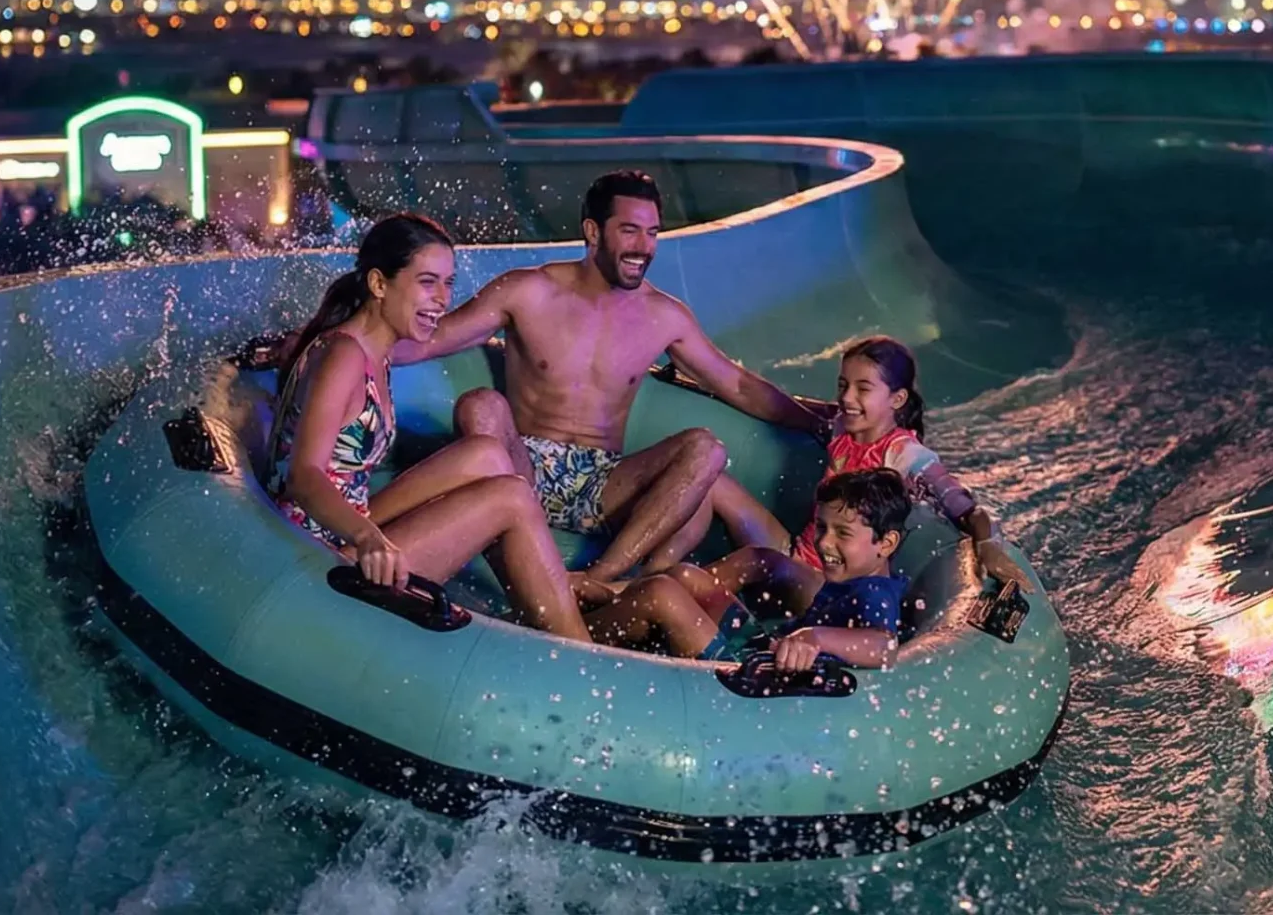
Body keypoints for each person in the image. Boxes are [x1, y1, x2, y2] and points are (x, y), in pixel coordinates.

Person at [397, 170, 821, 585]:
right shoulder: (527, 291)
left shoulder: (663, 315)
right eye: (630, 231)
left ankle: (600, 579)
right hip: (519, 466)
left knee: (706, 450)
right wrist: (349, 346)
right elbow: (433, 340)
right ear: (593, 231)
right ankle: (521, 553)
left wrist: (815, 422)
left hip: (603, 484)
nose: (644, 247)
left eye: (653, 233)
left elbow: (738, 384)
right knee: (480, 405)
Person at [269, 213, 588, 639]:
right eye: (427, 282)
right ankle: (580, 648)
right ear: (380, 285)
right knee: (510, 496)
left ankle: (546, 591)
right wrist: (369, 539)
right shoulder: (344, 356)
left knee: (488, 454)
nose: (442, 299)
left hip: (346, 522)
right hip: (318, 553)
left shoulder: (374, 350)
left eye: (448, 283)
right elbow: (304, 478)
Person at [718, 335, 1025, 588]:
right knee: (714, 483)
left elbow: (968, 509)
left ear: (897, 399)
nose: (847, 398)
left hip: (833, 584)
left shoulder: (905, 455)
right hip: (801, 554)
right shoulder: (842, 427)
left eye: (862, 389)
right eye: (842, 386)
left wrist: (987, 547)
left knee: (757, 562)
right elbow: (795, 408)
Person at [585, 468, 913, 669]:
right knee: (685, 576)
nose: (825, 543)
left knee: (661, 594)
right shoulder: (852, 580)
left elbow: (883, 647)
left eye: (842, 533)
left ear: (886, 543)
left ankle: (570, 638)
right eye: (822, 528)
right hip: (760, 646)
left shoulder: (874, 593)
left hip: (745, 678)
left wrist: (814, 638)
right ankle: (608, 610)